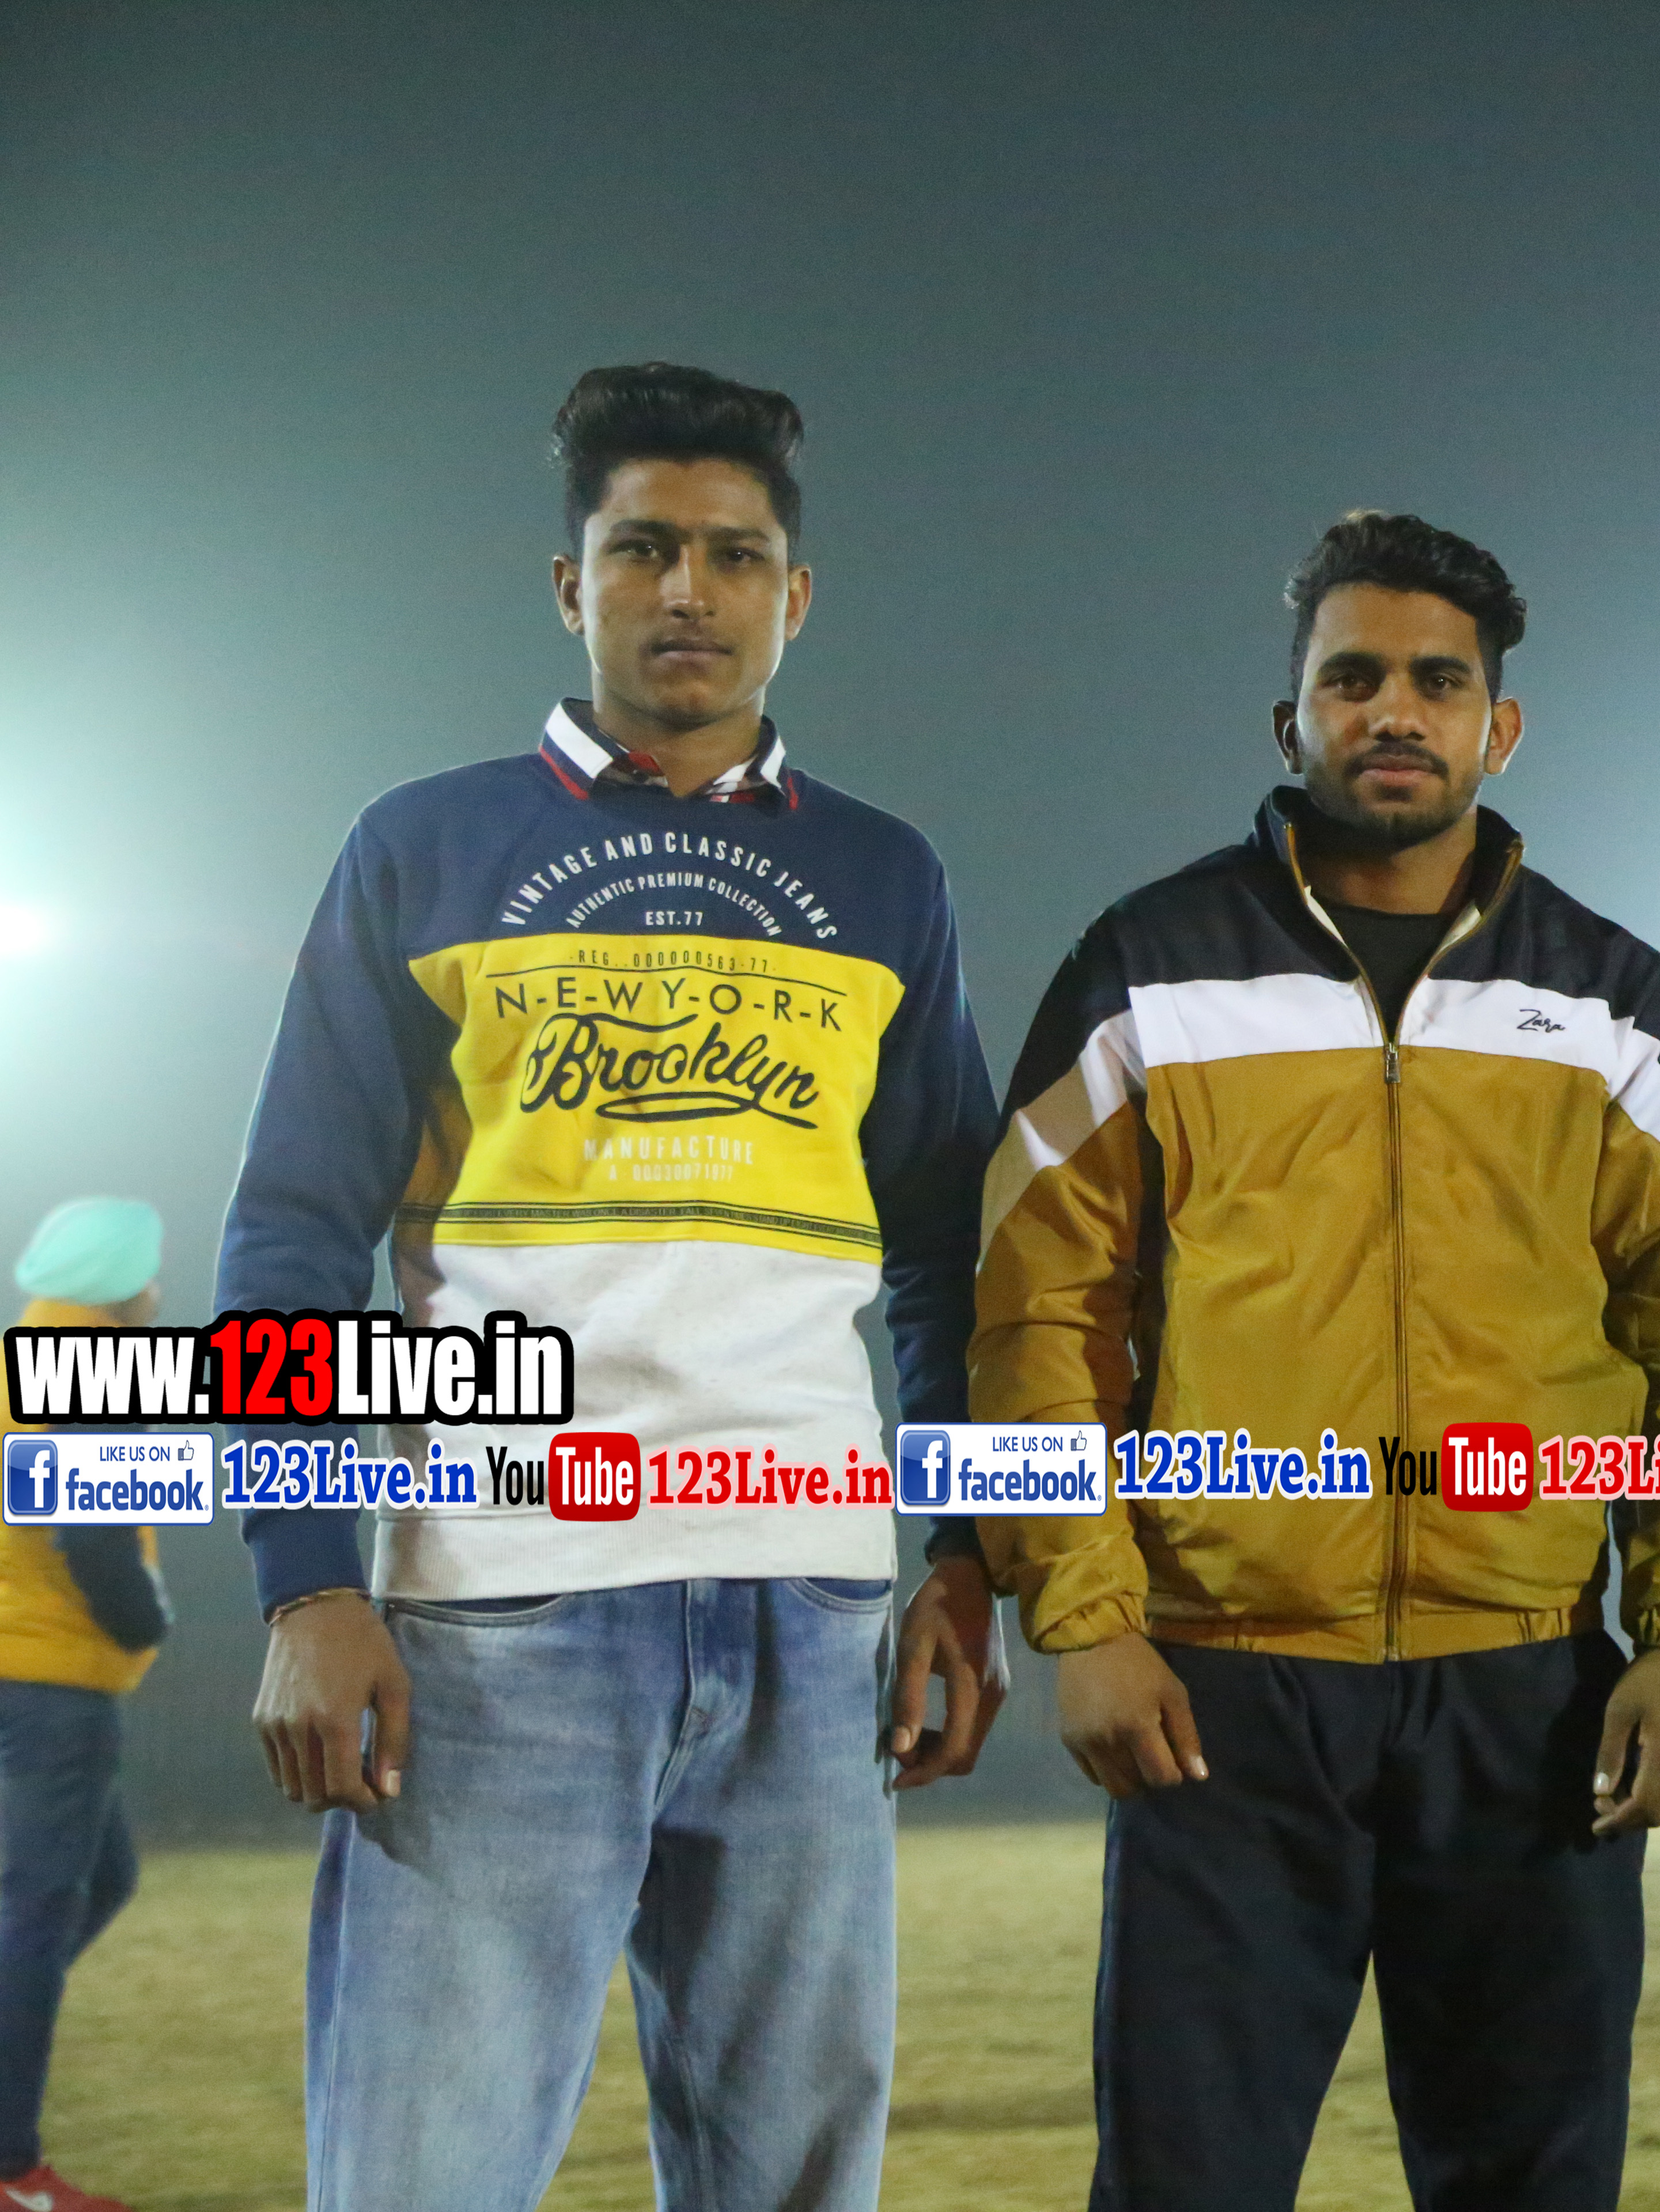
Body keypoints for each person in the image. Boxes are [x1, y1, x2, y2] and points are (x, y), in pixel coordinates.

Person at [218, 363, 999, 2212]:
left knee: (794, 2183)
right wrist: (309, 1575)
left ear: (795, 597)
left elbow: (949, 1255)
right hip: (503, 1608)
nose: (688, 590)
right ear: (570, 583)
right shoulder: (422, 845)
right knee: (421, 2176)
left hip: (811, 1609)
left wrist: (967, 1554)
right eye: (643, 548)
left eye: (735, 555)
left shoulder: (884, 874)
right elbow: (292, 1237)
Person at [960, 511, 1660, 2212]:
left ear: (1498, 725)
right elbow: (1038, 1314)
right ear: (1291, 718)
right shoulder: (1149, 965)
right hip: (1223, 1700)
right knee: (1184, 2185)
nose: (1393, 711)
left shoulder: (1608, 998)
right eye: (1353, 678)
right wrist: (1083, 1618)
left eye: (1436, 682)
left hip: (1529, 1693)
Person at [0, 1201, 175, 2212]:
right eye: (149, 1274)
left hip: (19, 1666)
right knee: (37, 1912)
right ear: (121, 1282)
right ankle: (10, 2169)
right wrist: (147, 1622)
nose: (158, 1291)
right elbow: (97, 1535)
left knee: (101, 1879)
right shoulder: (92, 1370)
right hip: (54, 1678)